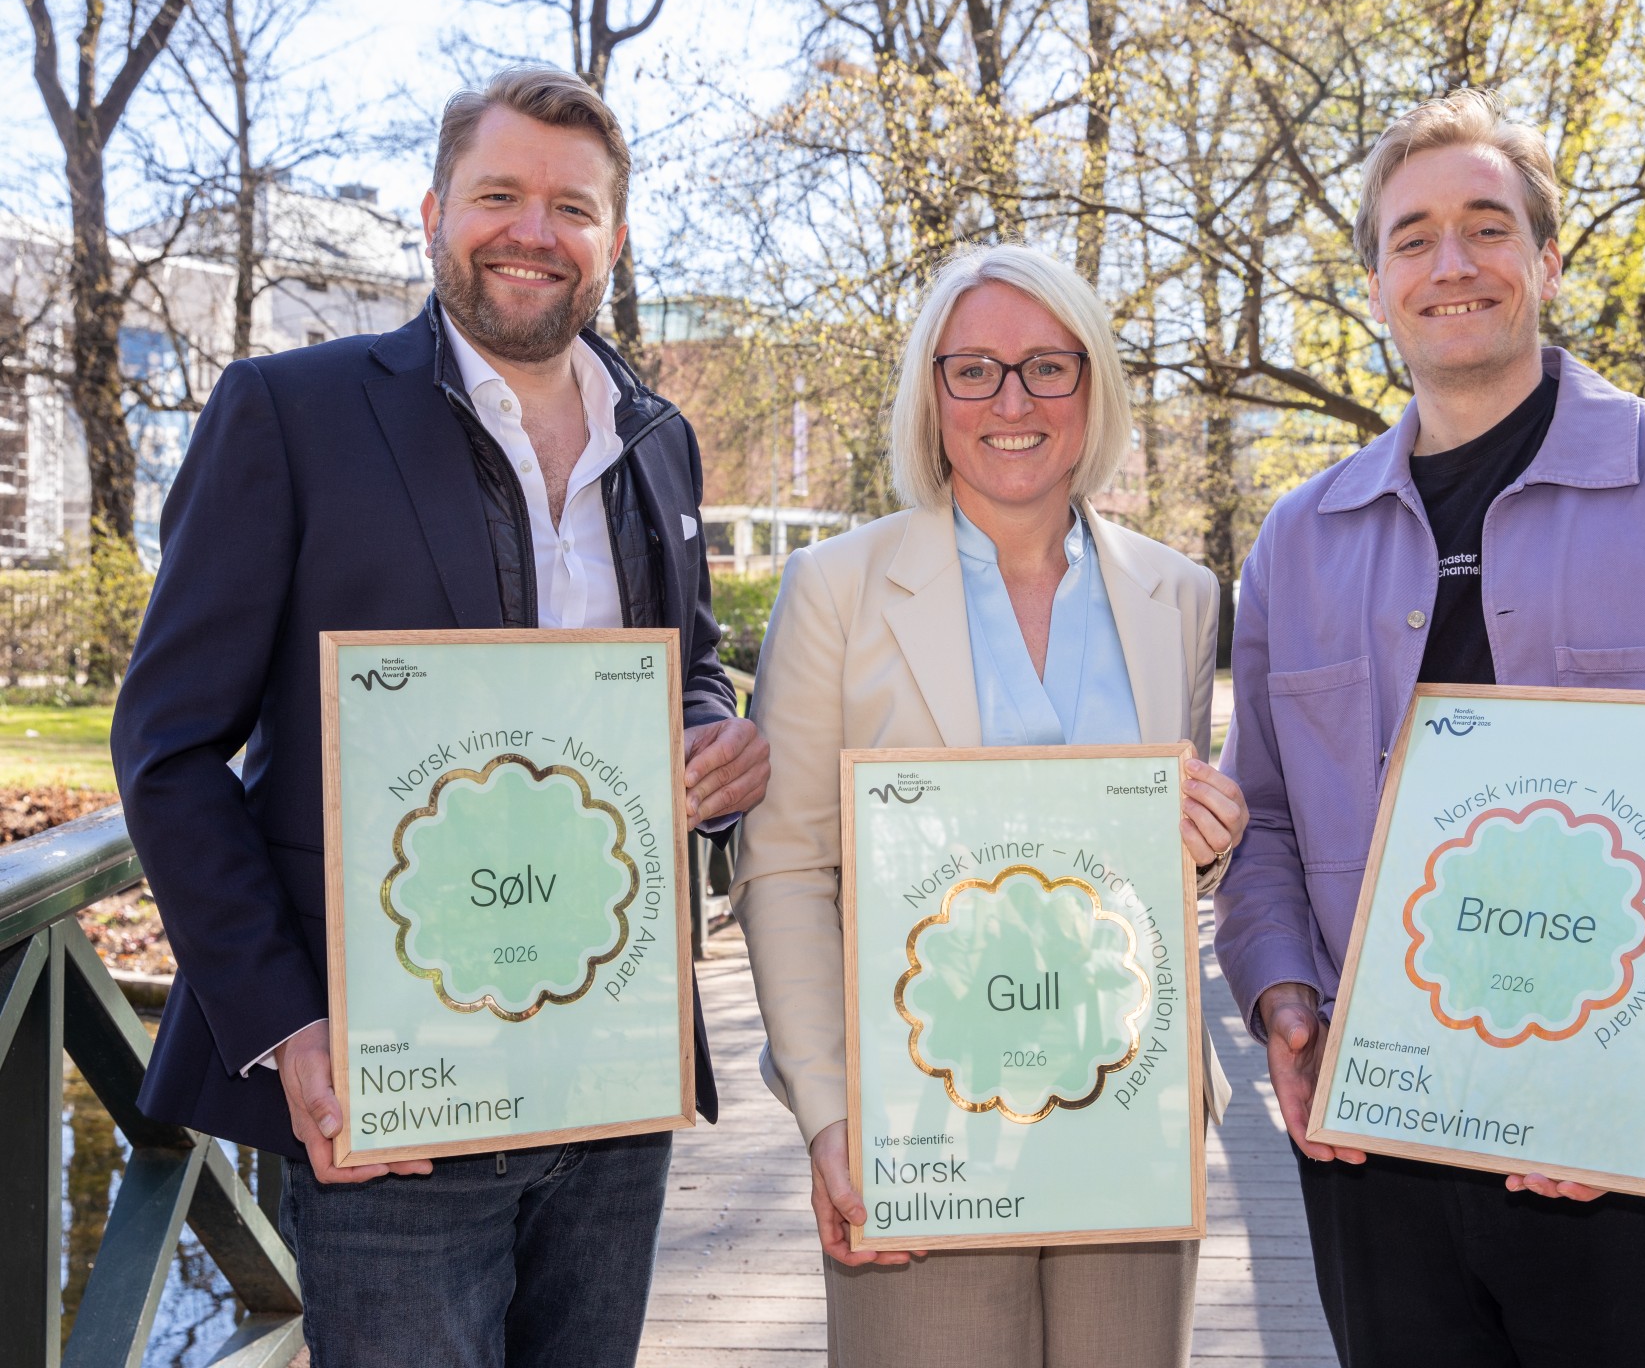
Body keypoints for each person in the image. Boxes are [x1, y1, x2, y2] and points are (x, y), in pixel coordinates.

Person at [111, 68, 769, 1368]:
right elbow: (168, 750)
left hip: (613, 1064)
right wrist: (288, 1029)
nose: (534, 232)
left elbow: (686, 660)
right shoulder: (290, 414)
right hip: (390, 1081)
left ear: (614, 239)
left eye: (572, 207)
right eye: (499, 195)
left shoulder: (660, 439)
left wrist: (714, 731)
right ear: (433, 214)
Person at [1212, 88, 1645, 1366]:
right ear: (1375, 289)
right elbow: (1262, 817)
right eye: (1412, 238)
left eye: (1488, 227)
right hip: (1380, 1151)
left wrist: (1635, 1058)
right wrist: (1279, 994)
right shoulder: (1297, 540)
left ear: (1547, 263)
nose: (1451, 263)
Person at [730, 243, 1247, 1368]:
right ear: (932, 393)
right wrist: (831, 1114)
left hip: (1129, 1106)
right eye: (973, 371)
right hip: (914, 1117)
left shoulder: (1179, 595)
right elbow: (785, 867)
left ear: (1092, 386)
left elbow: (1155, 861)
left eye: (1047, 367)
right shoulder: (835, 589)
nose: (1012, 402)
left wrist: (1203, 845)